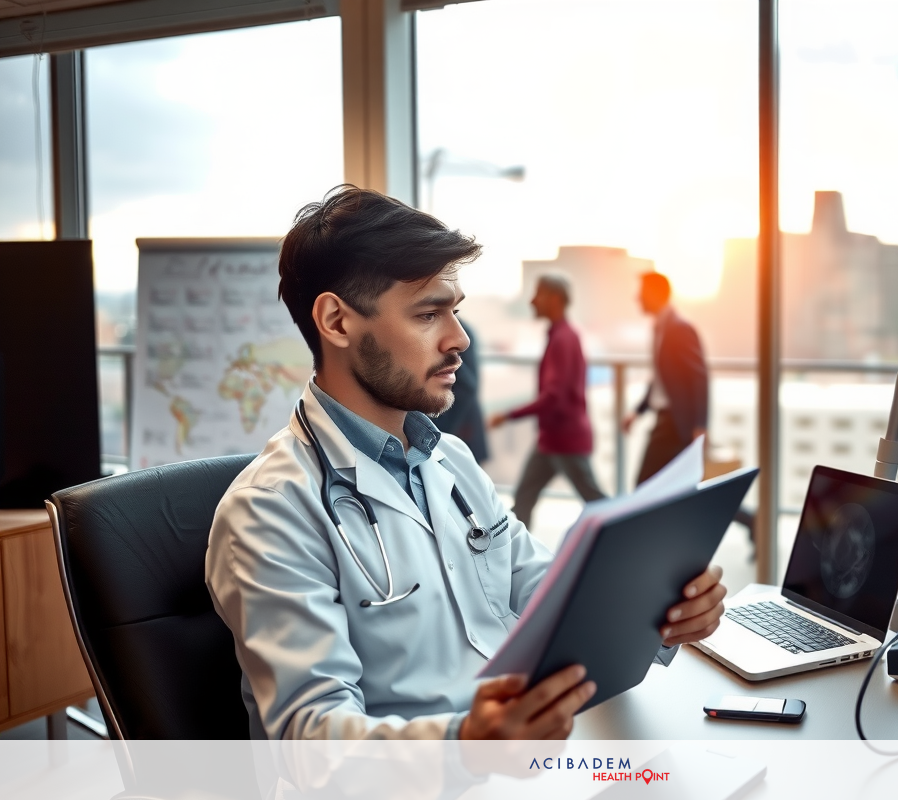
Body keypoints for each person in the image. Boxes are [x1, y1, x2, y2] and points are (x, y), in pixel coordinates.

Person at [205, 186, 728, 741]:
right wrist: (468, 744)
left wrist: (659, 616)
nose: (459, 339)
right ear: (336, 321)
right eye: (429, 314)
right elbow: (310, 735)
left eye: (455, 311)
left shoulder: (449, 460)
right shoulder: (268, 512)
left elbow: (544, 594)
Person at [488, 275, 606, 526]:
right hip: (552, 439)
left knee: (595, 501)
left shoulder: (564, 339)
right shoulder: (562, 335)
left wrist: (508, 415)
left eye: (537, 293)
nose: (532, 300)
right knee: (524, 497)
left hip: (564, 439)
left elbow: (553, 397)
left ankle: (624, 543)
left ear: (554, 299)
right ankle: (518, 562)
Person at [622, 272, 709, 485]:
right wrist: (637, 411)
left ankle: (754, 519)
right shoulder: (661, 327)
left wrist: (700, 426)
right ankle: (752, 519)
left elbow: (699, 378)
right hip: (667, 421)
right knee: (679, 489)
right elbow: (661, 380)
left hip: (676, 425)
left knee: (645, 485)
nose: (637, 298)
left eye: (641, 292)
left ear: (655, 294)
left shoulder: (679, 328)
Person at [432, 317, 489, 463]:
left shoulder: (452, 330)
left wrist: (439, 431)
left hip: (458, 427)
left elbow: (467, 386)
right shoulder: (458, 327)